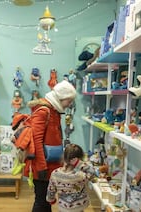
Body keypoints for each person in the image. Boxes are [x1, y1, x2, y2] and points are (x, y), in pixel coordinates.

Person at [26, 80, 77, 212]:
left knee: (46, 201)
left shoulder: (54, 111)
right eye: (69, 101)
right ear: (61, 98)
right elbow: (36, 140)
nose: (70, 104)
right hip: (42, 165)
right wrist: (42, 166)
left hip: (50, 165)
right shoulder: (44, 111)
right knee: (41, 201)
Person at [46, 144, 96, 212]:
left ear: (64, 157)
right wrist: (80, 164)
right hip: (78, 207)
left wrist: (51, 199)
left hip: (63, 207)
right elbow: (92, 172)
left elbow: (51, 190)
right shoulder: (80, 176)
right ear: (80, 159)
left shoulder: (55, 173)